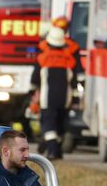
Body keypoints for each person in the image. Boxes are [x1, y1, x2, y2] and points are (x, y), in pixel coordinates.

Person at [31, 26, 82, 159]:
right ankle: (56, 151)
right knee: (60, 126)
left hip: (47, 99)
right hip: (65, 99)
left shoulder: (42, 58)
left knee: (49, 125)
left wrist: (32, 95)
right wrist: (75, 100)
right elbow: (75, 82)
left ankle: (52, 150)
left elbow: (34, 80)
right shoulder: (70, 60)